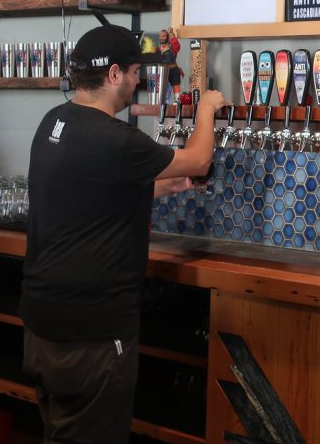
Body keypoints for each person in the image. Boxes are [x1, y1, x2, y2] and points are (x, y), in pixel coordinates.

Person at [19, 24, 225, 444]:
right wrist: (206, 111)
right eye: (134, 72)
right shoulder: (117, 138)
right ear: (113, 74)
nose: (138, 82)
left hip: (42, 327)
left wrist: (170, 185)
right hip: (92, 334)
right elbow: (200, 159)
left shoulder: (54, 122)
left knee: (59, 433)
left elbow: (97, 186)